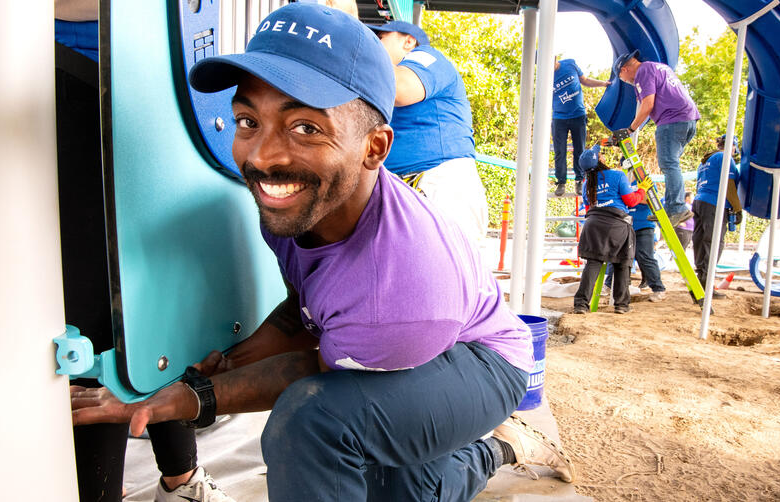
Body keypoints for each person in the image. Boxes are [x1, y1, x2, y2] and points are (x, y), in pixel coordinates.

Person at [70, 5, 575, 502]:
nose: (263, 156)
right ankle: (497, 451)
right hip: (412, 335)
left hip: (484, 360)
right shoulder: (302, 203)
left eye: (305, 128)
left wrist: (189, 399)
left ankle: (498, 438)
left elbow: (315, 371)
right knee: (406, 486)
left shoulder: (396, 282)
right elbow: (307, 304)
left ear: (374, 148)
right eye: (248, 120)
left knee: (313, 424)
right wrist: (228, 364)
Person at [54, 2, 232, 500]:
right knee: (103, 319)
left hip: (164, 81)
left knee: (162, 303)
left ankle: (181, 479)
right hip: (78, 74)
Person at [367, 21, 489, 244]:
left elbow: (400, 89)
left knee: (445, 275)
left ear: (409, 41)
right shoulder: (377, 83)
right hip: (405, 188)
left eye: (381, 37)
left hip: (442, 185)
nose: (374, 42)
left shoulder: (427, 57)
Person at [614, 50, 700, 226]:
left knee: (669, 164)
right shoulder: (659, 68)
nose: (628, 83)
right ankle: (670, 208)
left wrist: (630, 129)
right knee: (670, 164)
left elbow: (648, 104)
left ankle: (677, 208)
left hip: (672, 120)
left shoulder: (642, 72)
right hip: (687, 119)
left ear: (624, 70)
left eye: (624, 80)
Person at [573, 145, 649, 314]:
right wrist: (642, 189)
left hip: (593, 225)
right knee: (622, 263)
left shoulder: (587, 184)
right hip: (617, 224)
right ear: (599, 160)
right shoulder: (617, 175)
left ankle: (581, 304)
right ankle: (621, 305)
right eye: (600, 154)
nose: (603, 156)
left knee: (593, 264)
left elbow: (587, 208)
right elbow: (631, 201)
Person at [692, 134, 743, 299]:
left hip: (700, 201)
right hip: (714, 203)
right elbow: (729, 184)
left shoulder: (706, 161)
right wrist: (738, 208)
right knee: (713, 243)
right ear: (732, 146)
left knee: (700, 242)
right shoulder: (725, 157)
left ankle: (699, 283)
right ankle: (706, 287)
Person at [551, 57, 611, 196]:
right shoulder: (545, 75)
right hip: (559, 118)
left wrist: (603, 84)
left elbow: (585, 80)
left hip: (577, 115)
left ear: (554, 58)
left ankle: (579, 180)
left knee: (579, 150)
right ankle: (561, 182)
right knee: (560, 151)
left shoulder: (570, 64)